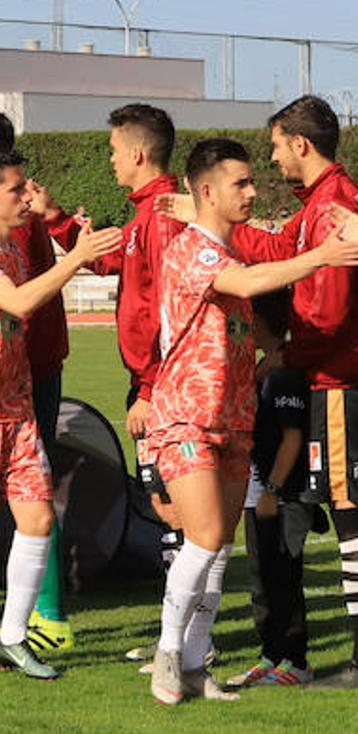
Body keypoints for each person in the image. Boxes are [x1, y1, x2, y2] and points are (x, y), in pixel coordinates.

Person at [160, 96, 358, 688]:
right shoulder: (322, 202)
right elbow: (286, 253)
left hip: (339, 374)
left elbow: (326, 307)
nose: (272, 160)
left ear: (300, 144)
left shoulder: (329, 203)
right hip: (356, 371)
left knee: (352, 511)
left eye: (276, 147)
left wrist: (285, 357)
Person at [144, 137, 358, 705]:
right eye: (240, 183)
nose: (252, 190)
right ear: (206, 192)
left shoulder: (225, 253)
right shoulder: (191, 249)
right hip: (189, 419)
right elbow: (247, 284)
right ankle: (168, 656)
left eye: (251, 180)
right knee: (203, 540)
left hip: (232, 421)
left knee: (216, 544)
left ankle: (195, 667)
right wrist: (324, 255)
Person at [25, 104, 189, 659]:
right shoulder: (148, 215)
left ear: (138, 154)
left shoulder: (163, 216)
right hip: (152, 385)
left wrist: (147, 388)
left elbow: (172, 312)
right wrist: (59, 222)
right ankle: (178, 635)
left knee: (177, 511)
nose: (110, 159)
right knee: (168, 510)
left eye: (114, 150)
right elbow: (114, 259)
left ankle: (187, 640)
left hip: (162, 390)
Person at [0, 150, 119, 679]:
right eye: (17, 190)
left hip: (16, 406)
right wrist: (75, 257)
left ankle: (12, 637)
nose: (30, 197)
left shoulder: (17, 249)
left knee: (39, 516)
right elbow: (19, 305)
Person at [0, 113, 79, 652]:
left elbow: (26, 303)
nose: (25, 194)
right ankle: (42, 615)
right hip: (33, 372)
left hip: (25, 380)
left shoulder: (17, 227)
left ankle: (41, 618)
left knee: (35, 500)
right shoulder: (18, 224)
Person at [227, 288, 323, 689]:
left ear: (263, 323)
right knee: (261, 577)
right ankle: (270, 654)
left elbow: (292, 440)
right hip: (257, 491)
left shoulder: (284, 374)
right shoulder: (268, 367)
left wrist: (271, 489)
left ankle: (296, 660)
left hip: (282, 494)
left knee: (284, 576)